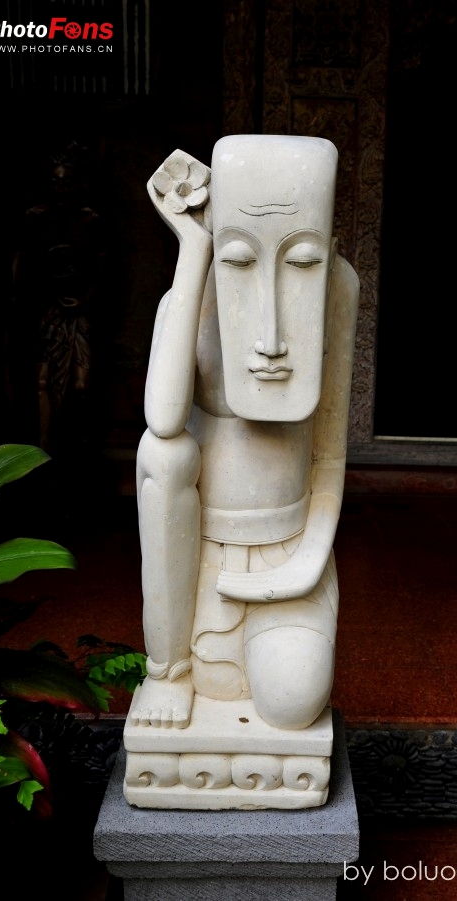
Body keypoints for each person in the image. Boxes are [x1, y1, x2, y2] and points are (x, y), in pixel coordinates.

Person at [131, 135, 359, 733]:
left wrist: (308, 560)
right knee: (162, 456)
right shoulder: (191, 296)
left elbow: (330, 456)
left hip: (287, 549)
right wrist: (195, 250)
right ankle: (168, 667)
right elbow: (163, 417)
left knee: (290, 703)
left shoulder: (338, 288)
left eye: (302, 261)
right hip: (201, 556)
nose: (271, 338)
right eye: (239, 258)